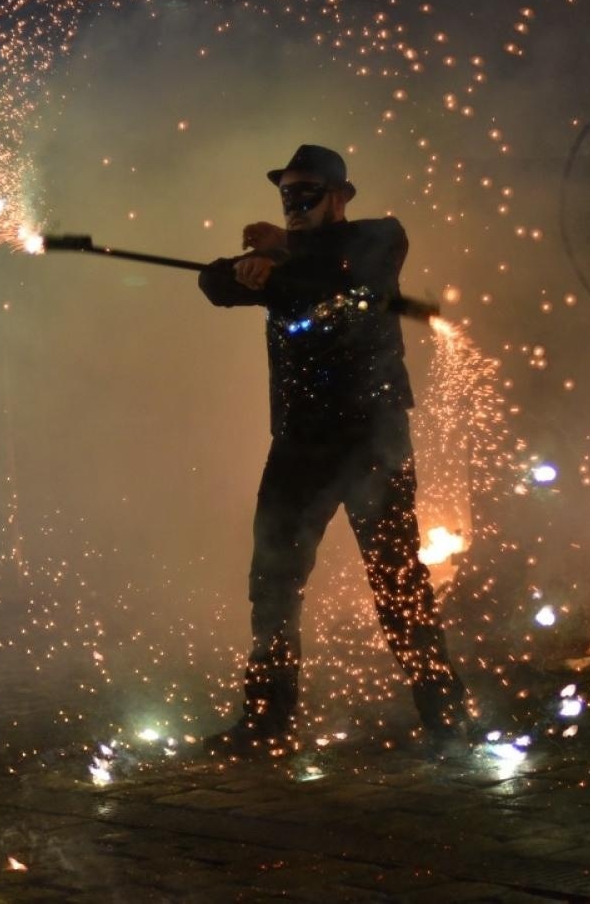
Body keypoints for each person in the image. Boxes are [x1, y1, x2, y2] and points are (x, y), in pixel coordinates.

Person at [197, 144, 469, 757]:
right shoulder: (284, 265)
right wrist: (253, 264)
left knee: (398, 585)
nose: (294, 206)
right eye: (287, 196)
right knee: (273, 583)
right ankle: (266, 724)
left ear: (341, 196)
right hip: (300, 446)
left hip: (372, 439)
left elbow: (347, 271)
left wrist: (278, 252)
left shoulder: (377, 238)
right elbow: (212, 283)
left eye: (307, 194)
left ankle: (448, 720)